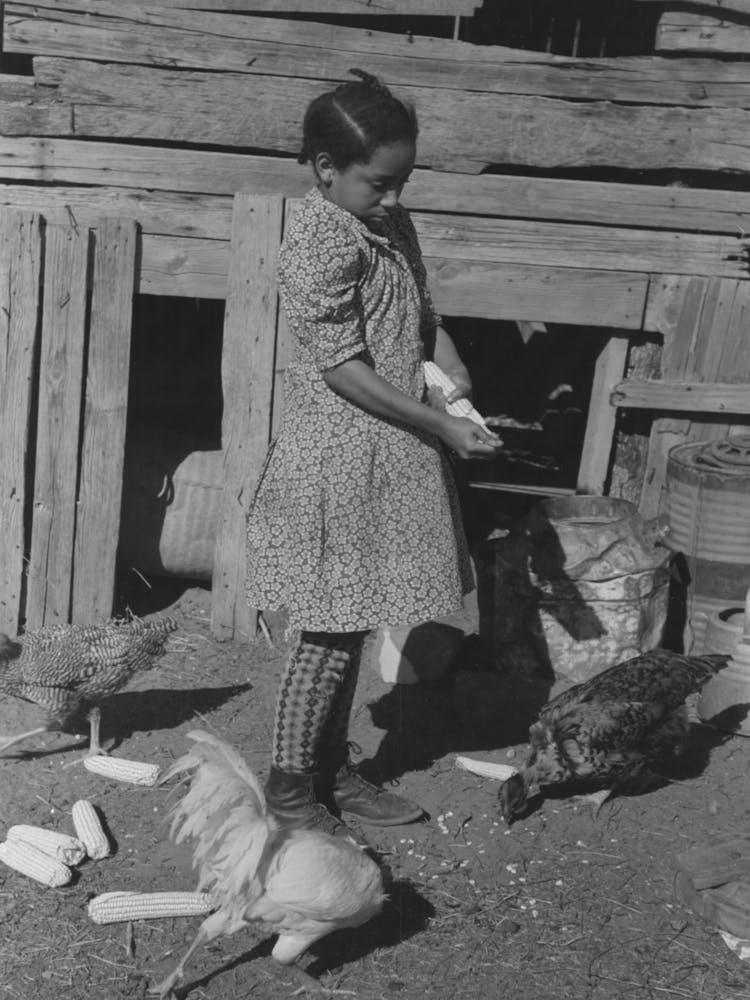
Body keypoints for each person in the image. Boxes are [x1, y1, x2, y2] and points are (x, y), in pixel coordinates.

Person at [246, 69, 502, 841]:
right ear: (327, 169)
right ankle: (290, 789)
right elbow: (340, 367)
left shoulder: (390, 225)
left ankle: (330, 771)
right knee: (327, 627)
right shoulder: (319, 239)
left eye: (403, 181)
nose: (393, 196)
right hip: (337, 456)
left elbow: (420, 314)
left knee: (353, 622)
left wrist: (447, 364)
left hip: (387, 451)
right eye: (379, 182)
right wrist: (440, 427)